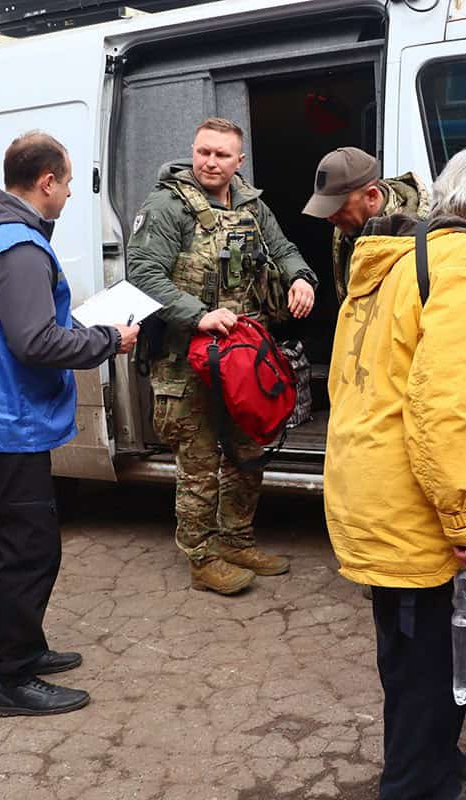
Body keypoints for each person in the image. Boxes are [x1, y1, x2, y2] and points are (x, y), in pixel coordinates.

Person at [324, 147, 466, 800]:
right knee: (423, 664)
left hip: (376, 486)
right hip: (418, 506)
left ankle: (434, 758)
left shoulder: (400, 258)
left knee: (413, 653)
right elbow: (453, 411)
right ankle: (417, 785)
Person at [0, 132, 139, 716]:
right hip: (3, 421)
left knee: (2, 539)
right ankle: (15, 679)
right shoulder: (19, 246)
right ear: (46, 182)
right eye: (67, 183)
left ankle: (21, 645)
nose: (68, 195)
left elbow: (1, 324)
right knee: (29, 548)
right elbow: (35, 342)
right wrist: (109, 339)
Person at [128, 118, 318, 595]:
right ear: (193, 151)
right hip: (186, 361)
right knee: (198, 465)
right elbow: (143, 274)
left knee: (247, 454)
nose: (210, 162)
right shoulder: (167, 205)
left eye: (221, 155)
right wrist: (198, 315)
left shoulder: (252, 205)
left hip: (241, 359)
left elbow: (284, 249)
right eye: (203, 152)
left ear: (239, 161)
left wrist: (300, 278)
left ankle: (236, 540)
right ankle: (201, 558)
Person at [301, 146, 430, 302]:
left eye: (337, 206)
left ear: (372, 196)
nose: (329, 217)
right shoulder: (344, 230)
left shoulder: (421, 238)